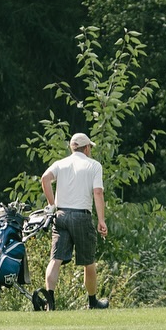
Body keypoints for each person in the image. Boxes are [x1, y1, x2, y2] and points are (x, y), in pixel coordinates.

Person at [40, 132, 110, 310]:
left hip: (61, 215)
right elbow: (98, 192)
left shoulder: (60, 164)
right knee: (88, 261)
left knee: (55, 258)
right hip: (81, 216)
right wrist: (101, 220)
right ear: (86, 148)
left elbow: (45, 179)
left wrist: (52, 204)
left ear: (73, 147)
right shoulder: (94, 166)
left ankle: (50, 302)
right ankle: (93, 302)